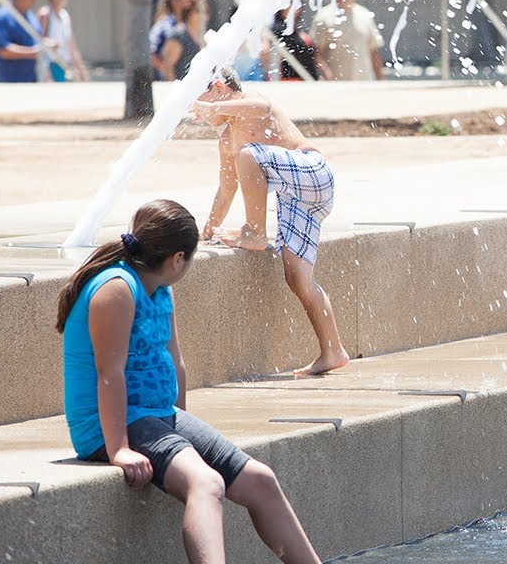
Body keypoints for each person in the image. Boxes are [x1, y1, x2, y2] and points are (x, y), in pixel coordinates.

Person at [59, 199, 321, 564]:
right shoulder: (116, 289)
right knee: (207, 483)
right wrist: (118, 449)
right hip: (111, 424)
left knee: (260, 479)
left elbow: (175, 362)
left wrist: (180, 439)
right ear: (177, 259)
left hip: (157, 417)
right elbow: (109, 373)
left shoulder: (160, 288)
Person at [193, 70, 350, 376]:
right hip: (295, 197)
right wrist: (207, 231)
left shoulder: (253, 103)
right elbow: (227, 190)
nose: (198, 112)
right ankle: (333, 351)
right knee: (296, 275)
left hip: (313, 172)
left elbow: (261, 108)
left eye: (199, 100)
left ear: (219, 87)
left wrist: (212, 108)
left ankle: (254, 231)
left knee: (249, 155)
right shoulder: (228, 140)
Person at [311, 0, 384, 81]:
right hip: (337, 83)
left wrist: (380, 77)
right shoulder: (324, 16)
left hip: (364, 81)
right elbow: (317, 53)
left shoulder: (365, 15)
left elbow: (373, 51)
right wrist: (327, 74)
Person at [38, 0, 89, 82]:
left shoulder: (65, 16)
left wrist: (82, 71)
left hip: (64, 66)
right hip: (49, 67)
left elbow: (72, 47)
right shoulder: (45, 14)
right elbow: (37, 41)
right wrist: (49, 43)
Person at [0, 0, 45, 83]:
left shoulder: (30, 16)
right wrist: (32, 53)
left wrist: (46, 44)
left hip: (32, 79)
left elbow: (38, 39)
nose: (34, 0)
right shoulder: (3, 17)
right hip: (11, 83)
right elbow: (3, 50)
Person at [150, 0, 195, 79]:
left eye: (191, 1)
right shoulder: (163, 25)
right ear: (173, 2)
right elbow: (151, 54)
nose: (188, 4)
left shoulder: (188, 27)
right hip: (166, 82)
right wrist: (169, 74)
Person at [269, 7, 319, 81]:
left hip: (306, 79)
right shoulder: (278, 31)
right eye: (291, 3)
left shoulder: (295, 30)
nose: (297, 7)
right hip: (290, 81)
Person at [159, 2, 205, 82]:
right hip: (179, 86)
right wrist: (174, 88)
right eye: (198, 11)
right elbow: (168, 65)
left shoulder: (201, 36)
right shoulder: (179, 35)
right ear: (189, 12)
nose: (203, 15)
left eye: (206, 12)